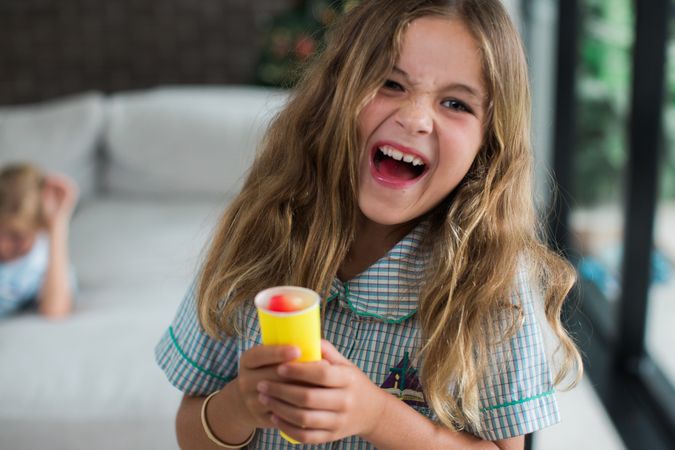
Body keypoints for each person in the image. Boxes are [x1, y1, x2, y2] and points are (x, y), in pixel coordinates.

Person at [155, 0, 583, 448]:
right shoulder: (258, 235)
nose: (415, 119)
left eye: (455, 103)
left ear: (488, 143)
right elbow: (191, 432)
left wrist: (377, 415)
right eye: (390, 83)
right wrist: (241, 405)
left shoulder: (494, 282)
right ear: (334, 94)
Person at [0, 163, 78, 318]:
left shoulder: (41, 260)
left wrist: (57, 225)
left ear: (40, 229)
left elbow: (56, 310)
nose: (2, 245)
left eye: (17, 237)